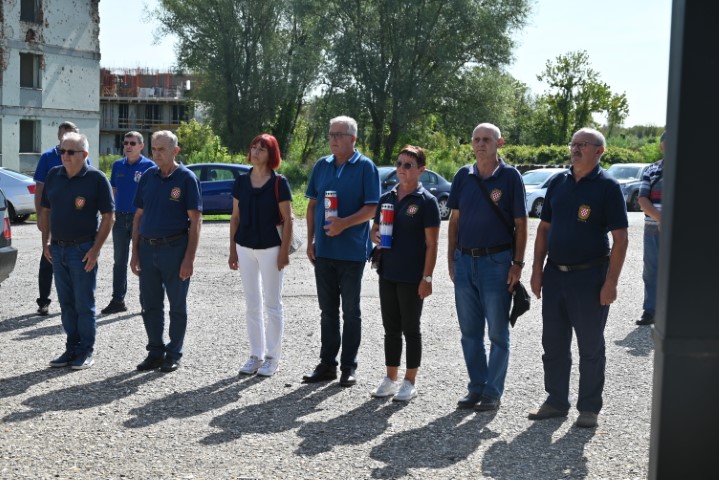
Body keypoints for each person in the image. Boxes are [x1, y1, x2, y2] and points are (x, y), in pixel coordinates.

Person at [528, 128, 628, 428]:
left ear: (599, 151)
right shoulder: (558, 182)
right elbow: (544, 229)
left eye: (582, 144)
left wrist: (611, 283)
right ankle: (556, 401)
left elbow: (621, 239)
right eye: (573, 144)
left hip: (590, 278)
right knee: (554, 344)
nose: (575, 149)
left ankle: (589, 408)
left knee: (590, 346)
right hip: (555, 275)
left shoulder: (608, 187)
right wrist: (536, 270)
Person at [446, 122, 528, 412]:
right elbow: (454, 220)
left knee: (497, 333)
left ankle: (493, 392)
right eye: (476, 139)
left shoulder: (510, 177)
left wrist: (517, 264)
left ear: (499, 143)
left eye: (486, 139)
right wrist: (451, 257)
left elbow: (521, 224)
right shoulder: (463, 176)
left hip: (497, 262)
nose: (480, 144)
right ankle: (476, 387)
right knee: (469, 333)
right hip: (464, 260)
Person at [302, 115, 380, 387]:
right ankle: (327, 365)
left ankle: (349, 367)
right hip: (324, 251)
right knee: (327, 312)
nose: (333, 139)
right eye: (331, 134)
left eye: (339, 134)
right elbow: (312, 206)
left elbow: (372, 208)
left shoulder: (366, 167)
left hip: (352, 252)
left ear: (353, 139)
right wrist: (311, 241)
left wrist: (344, 223)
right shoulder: (322, 165)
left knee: (351, 312)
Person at [369, 145, 440, 402]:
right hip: (388, 272)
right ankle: (390, 378)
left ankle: (410, 382)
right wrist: (374, 235)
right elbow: (374, 229)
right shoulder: (386, 197)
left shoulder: (427, 202)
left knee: (411, 328)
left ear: (421, 170)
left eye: (408, 165)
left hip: (412, 276)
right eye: (399, 164)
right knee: (390, 328)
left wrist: (427, 278)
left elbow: (432, 244)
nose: (401, 169)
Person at [39, 132, 114, 369]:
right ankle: (71, 348)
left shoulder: (96, 178)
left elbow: (109, 216)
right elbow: (46, 211)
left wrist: (95, 250)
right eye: (62, 151)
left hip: (82, 250)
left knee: (84, 303)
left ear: (84, 154)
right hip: (58, 249)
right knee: (66, 303)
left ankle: (86, 350)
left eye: (71, 152)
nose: (65, 156)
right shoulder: (54, 175)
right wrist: (45, 242)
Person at [130, 130, 202, 373]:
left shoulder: (186, 178)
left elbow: (196, 221)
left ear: (175, 151)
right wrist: (135, 253)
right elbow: (138, 217)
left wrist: (189, 258)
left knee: (177, 305)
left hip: (175, 249)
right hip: (147, 249)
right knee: (149, 304)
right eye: (154, 148)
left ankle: (173, 353)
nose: (157, 153)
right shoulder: (148, 177)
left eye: (162, 149)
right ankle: (155, 351)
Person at [229, 134, 294, 377]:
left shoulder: (279, 183)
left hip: (271, 249)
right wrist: (232, 250)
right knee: (252, 304)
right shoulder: (241, 181)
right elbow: (235, 218)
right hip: (245, 248)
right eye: (253, 147)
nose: (255, 152)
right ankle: (256, 355)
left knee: (272, 305)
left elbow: (288, 219)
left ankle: (272, 358)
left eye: (262, 149)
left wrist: (284, 253)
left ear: (271, 154)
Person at [33, 121, 90, 315]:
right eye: (67, 134)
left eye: (74, 134)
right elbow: (40, 188)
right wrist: (40, 215)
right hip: (52, 215)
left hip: (75, 216)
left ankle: (72, 300)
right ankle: (43, 301)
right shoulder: (48, 157)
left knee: (75, 258)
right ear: (59, 135)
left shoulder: (82, 155)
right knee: (48, 257)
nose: (71, 138)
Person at [101, 131, 155, 315]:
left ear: (141, 146)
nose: (128, 146)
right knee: (119, 261)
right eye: (125, 143)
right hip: (120, 218)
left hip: (140, 218)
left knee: (143, 260)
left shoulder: (149, 167)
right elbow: (114, 191)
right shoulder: (117, 165)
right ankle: (118, 300)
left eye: (132, 143)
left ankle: (146, 302)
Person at [636, 131, 665, 326]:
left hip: (682, 230)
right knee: (651, 270)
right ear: (662, 146)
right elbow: (642, 199)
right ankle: (650, 311)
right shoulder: (651, 170)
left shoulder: (690, 169)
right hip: (653, 227)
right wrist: (661, 218)